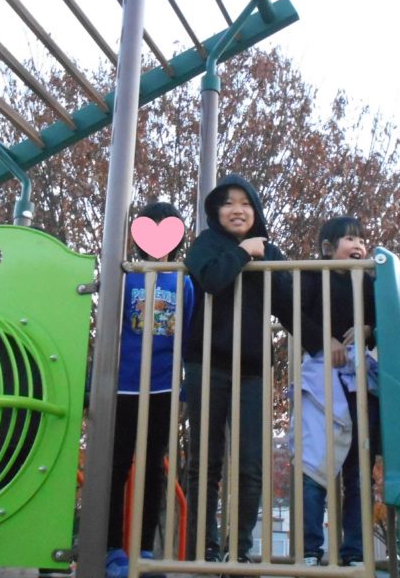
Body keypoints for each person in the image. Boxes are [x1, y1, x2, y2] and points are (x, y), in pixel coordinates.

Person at [182, 174, 293, 564]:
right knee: (205, 462)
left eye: (245, 203)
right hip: (206, 364)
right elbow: (213, 279)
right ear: (216, 211)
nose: (237, 210)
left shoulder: (270, 251)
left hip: (253, 369)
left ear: (256, 210)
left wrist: (325, 340)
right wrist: (244, 252)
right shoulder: (205, 245)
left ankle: (240, 551)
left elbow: (290, 306)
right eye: (228, 203)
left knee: (250, 465)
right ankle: (204, 549)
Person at [106, 201, 195, 578]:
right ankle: (111, 547)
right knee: (116, 464)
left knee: (154, 466)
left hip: (162, 386)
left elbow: (186, 334)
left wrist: (184, 384)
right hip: (124, 385)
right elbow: (111, 328)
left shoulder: (182, 280)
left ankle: (143, 548)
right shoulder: (127, 276)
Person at [297, 215, 381, 567]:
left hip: (360, 381)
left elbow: (383, 320)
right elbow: (297, 316)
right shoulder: (314, 275)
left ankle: (356, 551)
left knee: (359, 471)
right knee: (314, 465)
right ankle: (309, 548)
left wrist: (367, 329)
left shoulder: (370, 282)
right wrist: (324, 339)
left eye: (361, 239)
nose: (358, 245)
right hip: (322, 379)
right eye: (350, 239)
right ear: (328, 248)